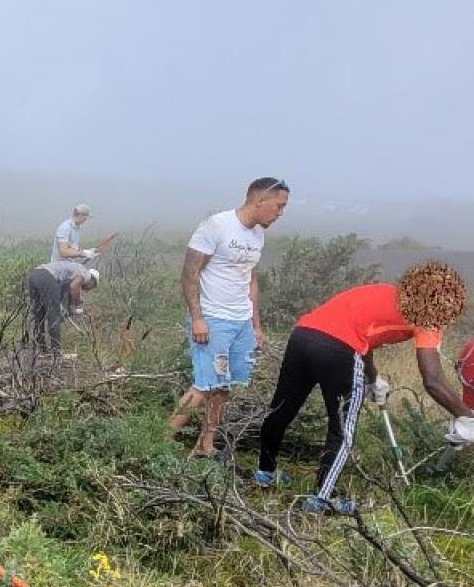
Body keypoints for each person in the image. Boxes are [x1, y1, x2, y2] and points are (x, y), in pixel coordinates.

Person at [254, 262, 474, 514]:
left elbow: (362, 333)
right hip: (339, 351)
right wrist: (466, 416)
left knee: (281, 409)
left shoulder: (387, 292)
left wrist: (372, 378)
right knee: (343, 428)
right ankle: (321, 500)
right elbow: (433, 379)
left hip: (303, 335)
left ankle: (265, 474)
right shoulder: (429, 319)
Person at [179, 177, 291, 457]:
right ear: (259, 199)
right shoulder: (216, 226)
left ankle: (206, 444)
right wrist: (197, 318)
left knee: (224, 387)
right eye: (278, 206)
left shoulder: (257, 236)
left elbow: (251, 280)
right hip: (212, 319)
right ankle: (156, 440)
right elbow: (190, 273)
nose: (280, 213)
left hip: (241, 322)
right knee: (204, 386)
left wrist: (256, 325)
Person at [28, 259, 99, 357]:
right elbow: (74, 287)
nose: (88, 289)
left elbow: (62, 291)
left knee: (39, 315)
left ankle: (41, 350)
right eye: (91, 287)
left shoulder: (75, 270)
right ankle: (57, 353)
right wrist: (76, 304)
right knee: (54, 317)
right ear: (92, 281)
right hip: (47, 277)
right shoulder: (85, 274)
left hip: (34, 275)